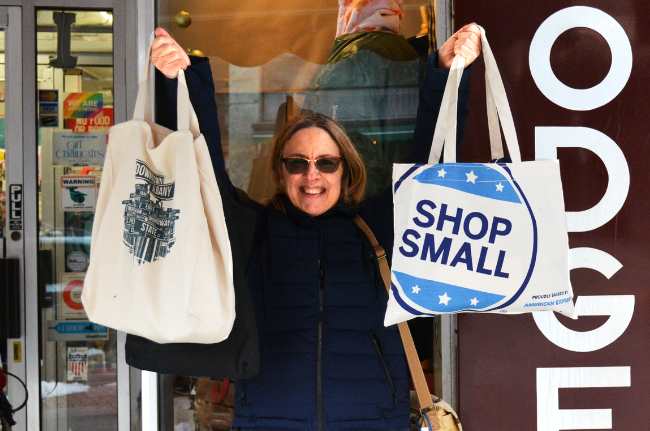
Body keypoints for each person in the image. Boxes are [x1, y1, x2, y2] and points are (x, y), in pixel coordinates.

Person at [151, 23, 480, 431]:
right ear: (279, 171)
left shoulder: (376, 228)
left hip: (373, 421)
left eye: (326, 162)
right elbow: (199, 173)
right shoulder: (254, 231)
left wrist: (447, 76)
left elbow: (433, 169)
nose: (312, 176)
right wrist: (178, 82)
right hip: (268, 421)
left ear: (346, 171)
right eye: (297, 163)